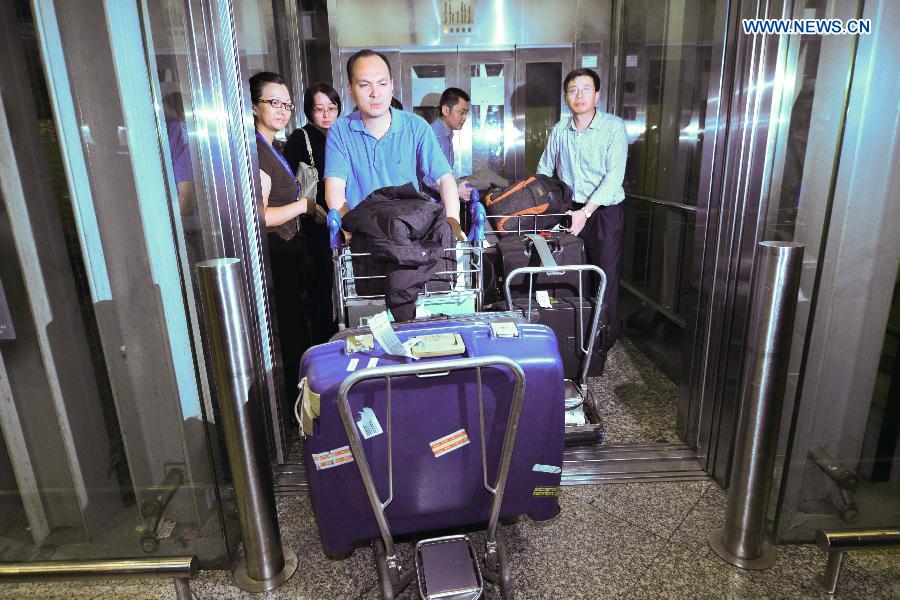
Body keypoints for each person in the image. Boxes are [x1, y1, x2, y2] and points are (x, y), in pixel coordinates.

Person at [324, 49, 464, 240]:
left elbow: (444, 179)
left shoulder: (416, 126)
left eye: (382, 83)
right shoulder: (340, 131)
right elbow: (335, 188)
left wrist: (452, 222)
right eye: (365, 85)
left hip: (411, 236)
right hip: (365, 239)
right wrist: (349, 233)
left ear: (391, 85)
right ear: (350, 88)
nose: (375, 93)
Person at [536, 67, 627, 358]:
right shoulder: (560, 130)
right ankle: (575, 334)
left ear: (597, 95)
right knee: (573, 275)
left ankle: (602, 341)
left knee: (604, 275)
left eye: (586, 89)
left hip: (603, 212)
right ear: (566, 97)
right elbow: (544, 170)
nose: (579, 95)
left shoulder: (613, 127)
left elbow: (613, 178)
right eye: (573, 89)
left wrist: (586, 212)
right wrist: (545, 204)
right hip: (569, 211)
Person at [250, 71, 319, 398]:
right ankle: (296, 405)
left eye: (287, 105)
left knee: (297, 328)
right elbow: (261, 216)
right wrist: (303, 206)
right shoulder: (256, 151)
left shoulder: (272, 144)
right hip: (276, 253)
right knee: (290, 330)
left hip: (289, 250)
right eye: (273, 102)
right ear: (254, 106)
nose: (282, 110)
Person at [283, 82, 342, 345]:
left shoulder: (344, 135)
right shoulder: (300, 138)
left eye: (332, 108)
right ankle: (323, 341)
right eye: (320, 109)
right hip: (315, 225)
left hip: (343, 222)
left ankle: (341, 332)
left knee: (341, 282)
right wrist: (310, 207)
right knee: (321, 286)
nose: (327, 114)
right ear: (309, 111)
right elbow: (289, 184)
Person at [422, 87, 473, 204]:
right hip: (428, 206)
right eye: (461, 112)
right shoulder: (433, 135)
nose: (464, 117)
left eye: (466, 113)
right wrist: (453, 190)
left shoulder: (446, 135)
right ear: (446, 110)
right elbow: (426, 177)